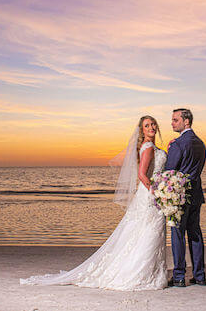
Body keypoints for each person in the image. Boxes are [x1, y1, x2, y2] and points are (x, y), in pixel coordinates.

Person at [20, 116, 168, 290]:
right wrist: (156, 192)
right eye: (147, 125)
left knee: (144, 233)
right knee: (148, 232)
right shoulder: (149, 148)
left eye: (152, 124)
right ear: (142, 131)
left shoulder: (149, 147)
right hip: (150, 196)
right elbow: (142, 175)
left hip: (147, 195)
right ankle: (142, 274)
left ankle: (147, 272)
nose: (151, 127)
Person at [165, 108, 206, 287]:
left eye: (175, 120)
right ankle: (200, 276)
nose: (172, 123)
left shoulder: (178, 144)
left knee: (178, 234)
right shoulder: (201, 143)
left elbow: (169, 170)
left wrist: (169, 150)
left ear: (186, 122)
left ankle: (179, 276)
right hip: (196, 194)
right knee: (195, 233)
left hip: (180, 196)